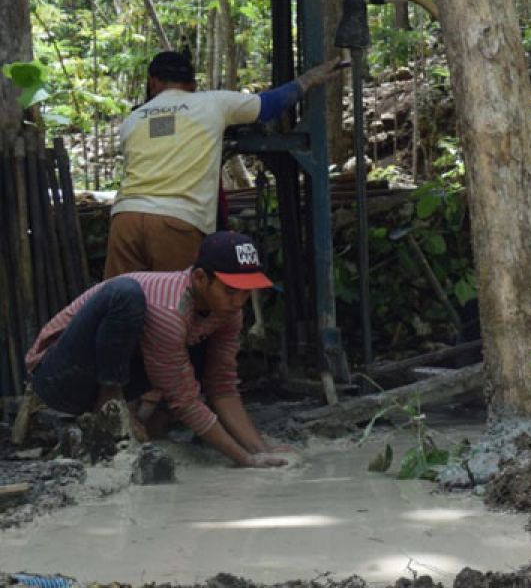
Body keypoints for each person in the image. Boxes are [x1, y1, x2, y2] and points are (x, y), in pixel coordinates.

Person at [26, 231, 289, 468]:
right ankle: (112, 402)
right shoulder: (169, 310)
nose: (238, 302)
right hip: (58, 378)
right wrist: (244, 459)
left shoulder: (228, 313)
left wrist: (260, 449)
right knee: (124, 294)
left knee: (198, 348)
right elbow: (184, 399)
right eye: (231, 291)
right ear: (200, 278)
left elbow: (222, 385)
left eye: (246, 293)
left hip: (115, 373)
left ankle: (146, 420)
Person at [103, 49, 344, 278]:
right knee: (176, 306)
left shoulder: (133, 120)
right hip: (177, 220)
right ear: (192, 84)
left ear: (152, 82)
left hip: (126, 219)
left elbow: (164, 135)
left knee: (123, 306)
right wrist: (308, 80)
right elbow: (269, 105)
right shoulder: (213, 103)